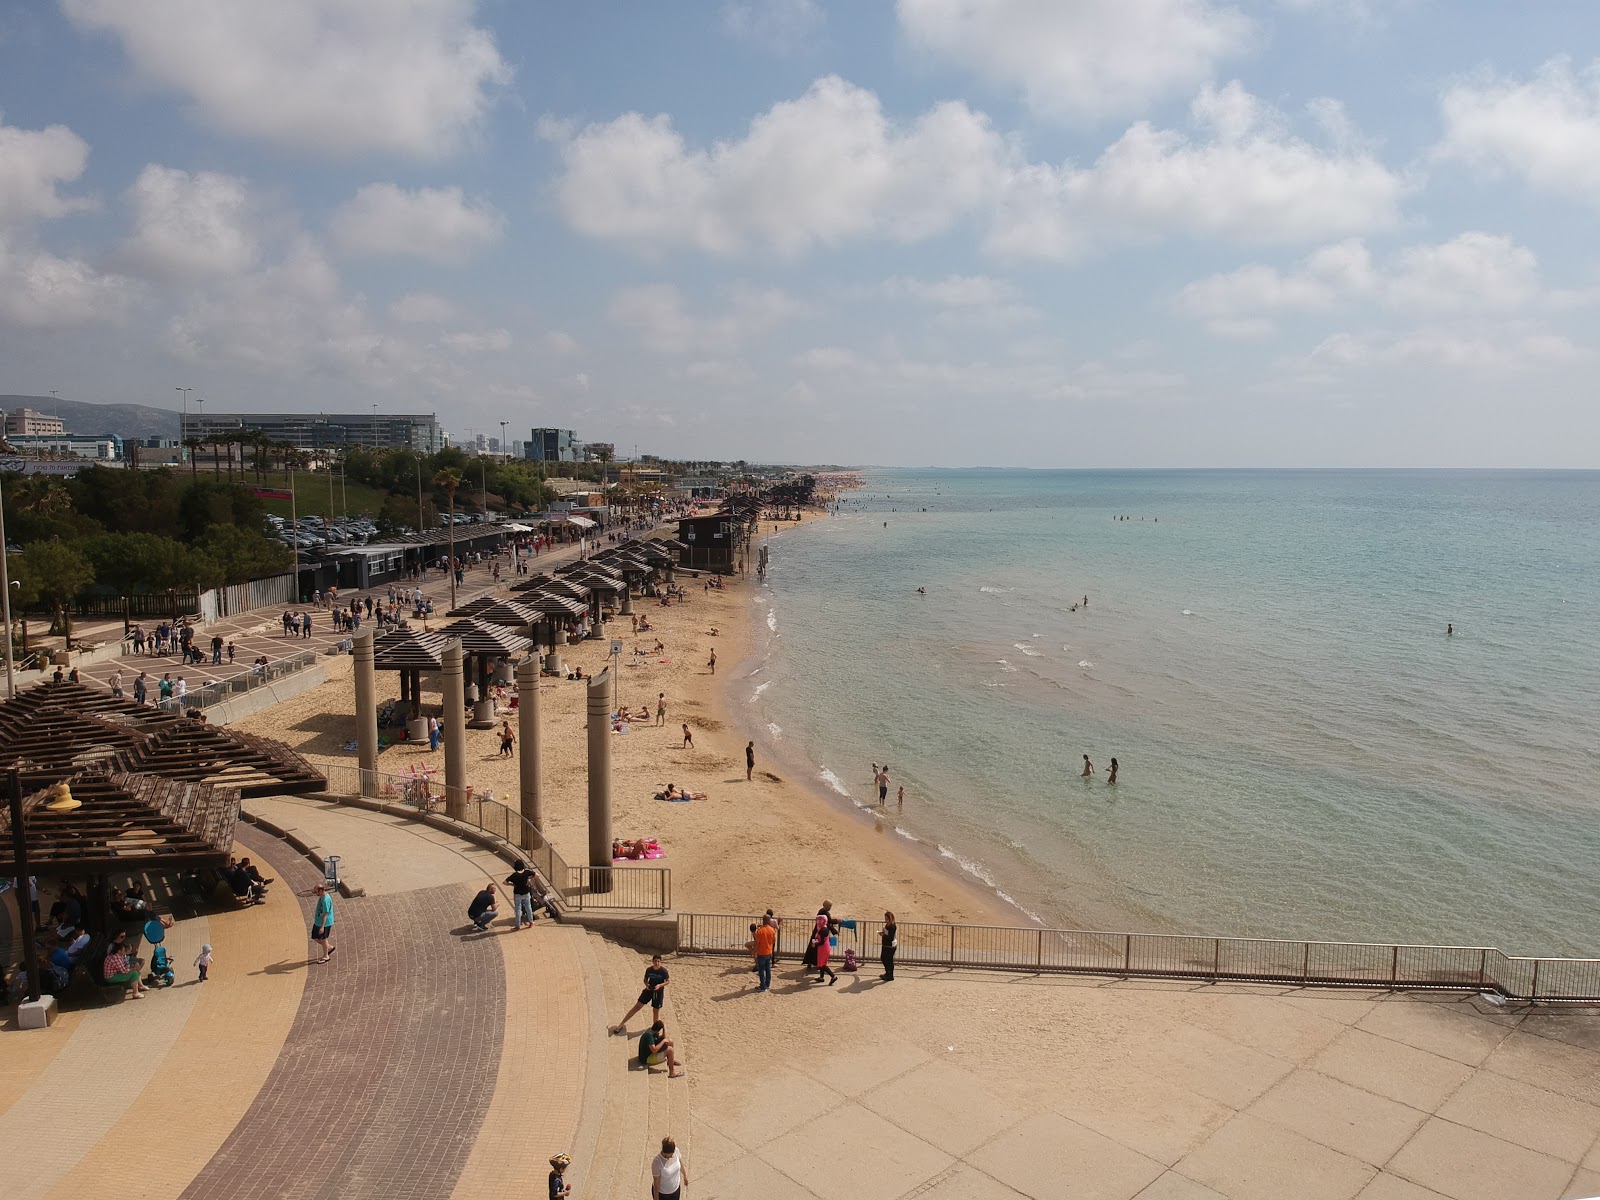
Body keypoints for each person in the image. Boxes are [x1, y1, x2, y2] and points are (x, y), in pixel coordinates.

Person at [610, 954, 670, 1033]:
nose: (657, 963)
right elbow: (645, 979)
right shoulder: (649, 970)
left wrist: (660, 985)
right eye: (655, 961)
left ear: (660, 962)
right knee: (637, 1007)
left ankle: (655, 1031)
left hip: (658, 993)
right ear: (653, 961)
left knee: (656, 1011)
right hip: (648, 991)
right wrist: (646, 985)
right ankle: (621, 1024)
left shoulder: (663, 971)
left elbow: (668, 981)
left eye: (658, 961)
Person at [102, 930, 146, 998]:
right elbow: (124, 971)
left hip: (115, 973)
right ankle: (135, 993)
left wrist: (132, 967)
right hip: (111, 977)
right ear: (119, 951)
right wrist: (134, 968)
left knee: (135, 970)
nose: (124, 951)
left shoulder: (117, 955)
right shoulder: (115, 958)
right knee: (134, 973)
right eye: (123, 950)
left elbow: (124, 965)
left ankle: (139, 986)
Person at [652, 1135, 687, 1200]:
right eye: (669, 1155)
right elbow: (656, 1181)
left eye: (672, 1154)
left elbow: (681, 1164)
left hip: (675, 1190)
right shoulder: (657, 1162)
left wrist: (685, 1176)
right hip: (663, 1194)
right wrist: (656, 1197)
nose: (671, 1156)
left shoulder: (676, 1151)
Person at [507, 859, 539, 929]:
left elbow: (505, 882)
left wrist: (512, 885)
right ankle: (531, 922)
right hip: (526, 892)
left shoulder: (514, 875)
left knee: (518, 909)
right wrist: (529, 878)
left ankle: (517, 926)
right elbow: (537, 875)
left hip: (517, 894)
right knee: (528, 907)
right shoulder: (527, 872)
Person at [310, 882, 335, 963]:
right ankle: (329, 947)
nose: (315, 893)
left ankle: (326, 956)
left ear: (320, 891)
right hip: (318, 921)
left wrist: (322, 926)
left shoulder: (325, 900)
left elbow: (325, 914)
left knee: (323, 939)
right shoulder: (322, 896)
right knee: (314, 937)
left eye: (316, 892)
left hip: (325, 923)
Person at [752, 915, 776, 991]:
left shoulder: (760, 931)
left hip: (762, 952)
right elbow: (773, 941)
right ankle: (767, 984)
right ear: (769, 921)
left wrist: (754, 951)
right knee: (768, 969)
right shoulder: (772, 930)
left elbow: (757, 943)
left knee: (761, 970)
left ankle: (763, 986)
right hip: (769, 951)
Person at [811, 918, 836, 985]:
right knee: (821, 963)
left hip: (823, 948)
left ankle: (833, 976)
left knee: (822, 964)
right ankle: (821, 977)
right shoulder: (824, 927)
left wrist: (815, 943)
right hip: (824, 947)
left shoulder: (823, 930)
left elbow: (821, 942)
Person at [880, 911, 898, 981]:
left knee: (889, 960)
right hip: (885, 945)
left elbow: (890, 937)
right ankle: (887, 972)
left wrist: (883, 935)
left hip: (890, 946)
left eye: (887, 919)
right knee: (883, 958)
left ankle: (890, 975)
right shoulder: (888, 925)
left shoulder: (892, 926)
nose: (885, 920)